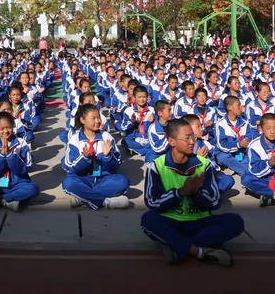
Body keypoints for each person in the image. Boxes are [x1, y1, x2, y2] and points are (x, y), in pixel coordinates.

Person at [141, 118, 244, 265]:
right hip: (171, 221)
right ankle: (200, 251)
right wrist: (180, 193)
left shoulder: (205, 164)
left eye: (193, 137)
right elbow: (151, 201)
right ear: (171, 141)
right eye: (187, 138)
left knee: (235, 221)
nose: (192, 141)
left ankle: (177, 246)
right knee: (148, 219)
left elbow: (215, 202)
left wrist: (196, 193)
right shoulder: (156, 166)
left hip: (200, 221)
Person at [62, 104, 130, 209]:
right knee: (68, 182)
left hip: (103, 178)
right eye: (93, 118)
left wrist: (108, 156)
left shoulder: (106, 136)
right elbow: (70, 167)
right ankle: (106, 202)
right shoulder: (75, 139)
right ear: (82, 120)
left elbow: (116, 165)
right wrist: (84, 158)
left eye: (98, 117)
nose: (98, 121)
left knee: (123, 181)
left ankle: (82, 197)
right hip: (83, 179)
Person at [242, 113, 275, 206]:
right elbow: (254, 170)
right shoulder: (254, 146)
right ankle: (271, 194)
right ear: (261, 129)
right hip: (265, 178)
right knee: (246, 179)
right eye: (268, 128)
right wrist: (269, 163)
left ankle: (268, 197)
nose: (272, 131)